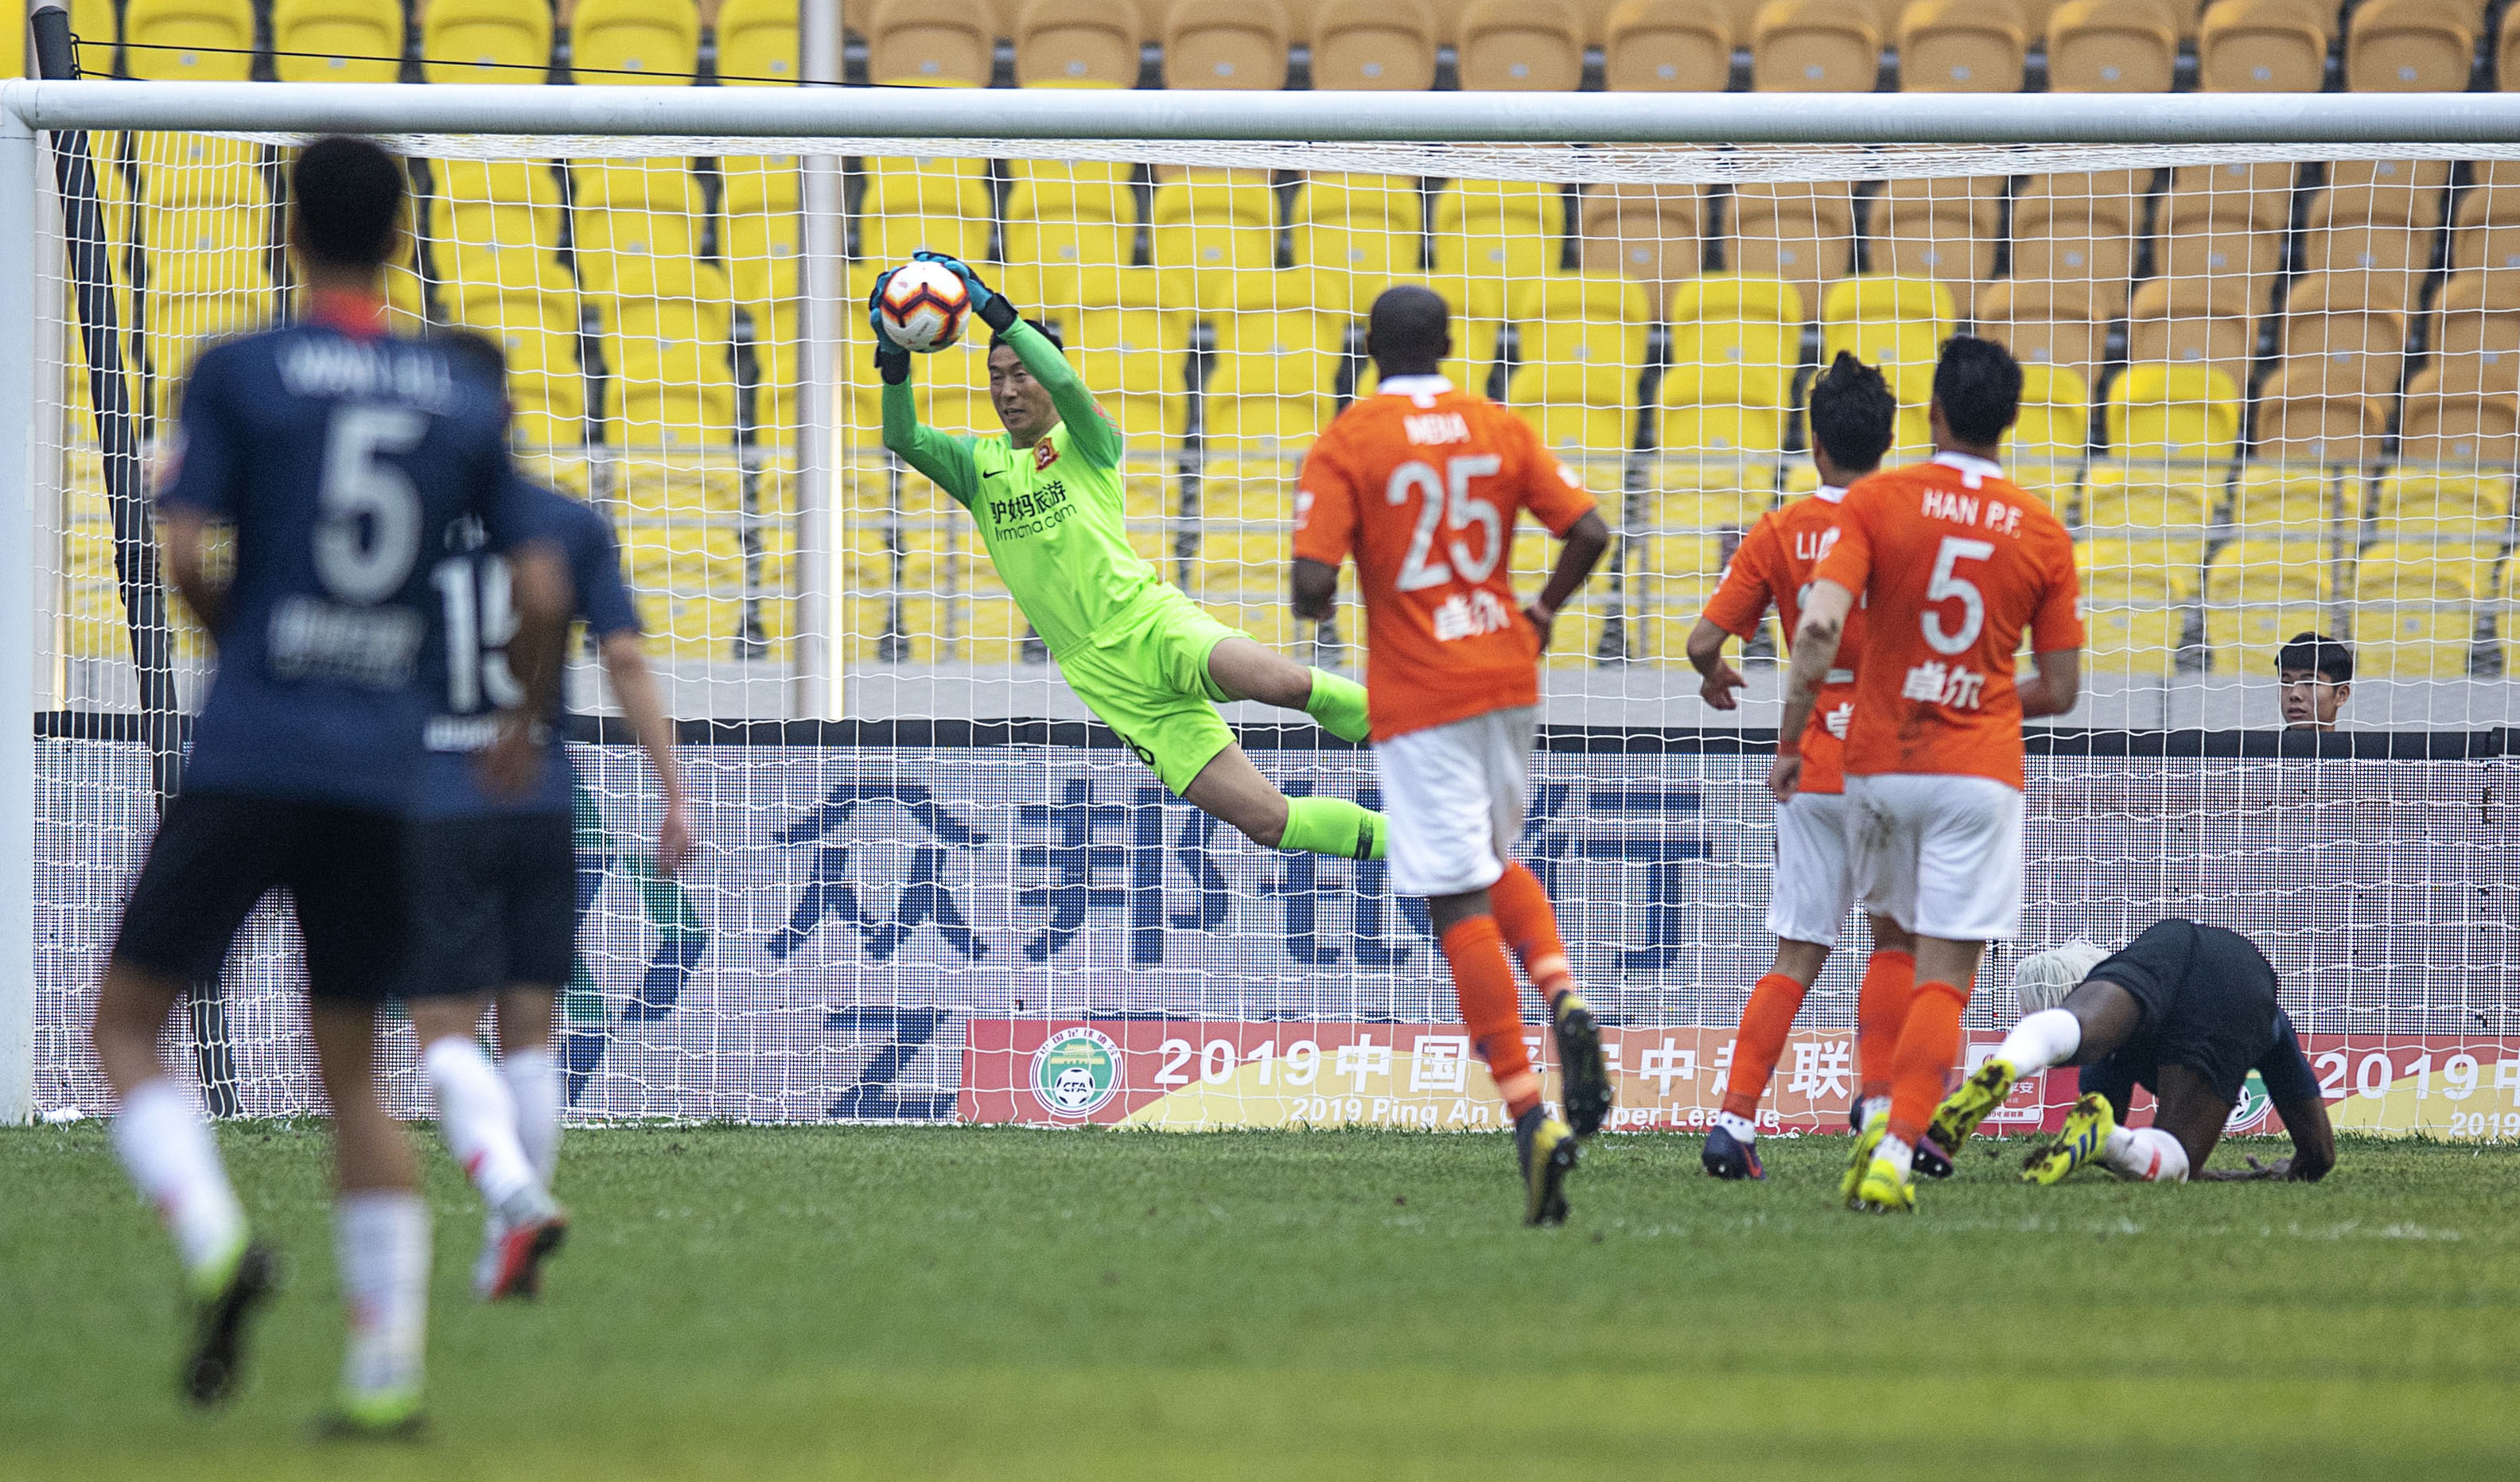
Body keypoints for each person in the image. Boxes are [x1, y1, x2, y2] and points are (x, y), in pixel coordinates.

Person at [87, 137, 569, 1430]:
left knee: (130, 1024)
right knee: (355, 1071)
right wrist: (517, 714)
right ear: (401, 237)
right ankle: (385, 1377)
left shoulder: (240, 370)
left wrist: (244, 636)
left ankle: (214, 1245)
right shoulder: (457, 397)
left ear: (287, 232)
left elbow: (182, 545)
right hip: (387, 772)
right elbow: (535, 584)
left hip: (254, 750)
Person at [873, 251, 1387, 865]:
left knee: (1288, 683)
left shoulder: (1086, 439)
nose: (1008, 390)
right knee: (1268, 821)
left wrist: (992, 309)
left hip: (1150, 622)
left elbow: (1065, 384)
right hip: (1103, 677)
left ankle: (1429, 745)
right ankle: (1413, 846)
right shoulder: (976, 467)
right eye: (996, 377)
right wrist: (894, 354)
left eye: (1020, 372)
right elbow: (901, 437)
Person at [1289, 285, 1616, 1224]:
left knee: (1454, 895)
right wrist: (1543, 613)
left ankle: (1527, 1114)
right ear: (1449, 345)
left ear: (1367, 349)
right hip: (1508, 674)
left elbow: (1314, 588)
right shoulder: (1496, 424)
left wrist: (1323, 586)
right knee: (1494, 859)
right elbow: (1590, 530)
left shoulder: (1349, 440)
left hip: (1421, 693)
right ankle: (1562, 993)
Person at [1772, 336, 2085, 1214]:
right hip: (1977, 770)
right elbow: (2060, 689)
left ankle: (1875, 1111)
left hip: (1878, 760)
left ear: (1935, 414)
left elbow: (1820, 633)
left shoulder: (1878, 500)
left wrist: (1795, 737)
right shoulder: (2041, 530)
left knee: (1891, 944)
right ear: (2009, 420)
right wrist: (1979, 701)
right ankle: (1898, 1151)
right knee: (1947, 970)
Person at [415, 332, 693, 1301]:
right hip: (539, 795)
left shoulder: (392, 524)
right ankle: (511, 1244)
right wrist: (672, 790)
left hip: (431, 799)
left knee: (444, 1032)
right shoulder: (564, 522)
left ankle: (510, 1192)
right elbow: (624, 662)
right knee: (530, 1032)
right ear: (508, 414)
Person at [1686, 353, 1922, 1181]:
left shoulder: (1781, 530)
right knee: (1895, 937)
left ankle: (1733, 1123)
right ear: (1889, 441)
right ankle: (1880, 1106)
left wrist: (1716, 674)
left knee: (1796, 951)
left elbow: (1702, 641)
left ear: (1815, 443)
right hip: (1894, 756)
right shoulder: (1910, 524)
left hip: (1813, 759)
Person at [1927, 921, 2337, 1185]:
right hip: (2233, 967)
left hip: (2160, 950)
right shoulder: (2267, 1019)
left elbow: (2098, 1106)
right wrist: (2296, 1166)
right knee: (2176, 1163)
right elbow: (2319, 1155)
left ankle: (2011, 1060)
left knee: (2077, 1028)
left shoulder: (2106, 1057)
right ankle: (2113, 1141)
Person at [2277, 631, 2353, 732]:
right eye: (2286, 682)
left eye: (2310, 683)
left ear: (2341, 695)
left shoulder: (2354, 747)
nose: (2294, 694)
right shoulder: (2259, 747)